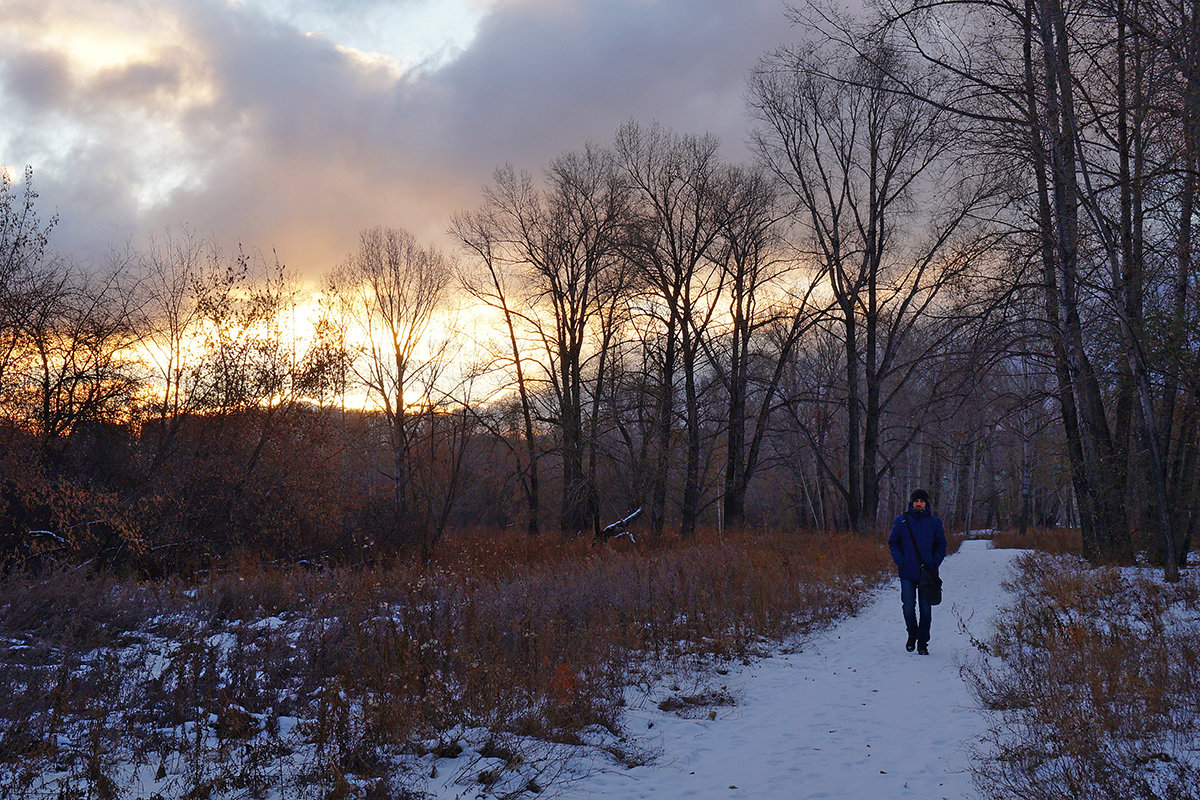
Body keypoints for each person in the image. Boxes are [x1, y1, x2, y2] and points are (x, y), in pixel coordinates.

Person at [887, 488, 947, 655]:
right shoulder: (901, 521)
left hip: (927, 573)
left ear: (926, 503)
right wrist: (901, 561)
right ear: (911, 503)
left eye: (921, 501)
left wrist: (934, 562)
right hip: (907, 572)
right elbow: (893, 543)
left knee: (926, 609)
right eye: (916, 501)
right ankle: (912, 635)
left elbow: (941, 545)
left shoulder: (934, 522)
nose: (918, 503)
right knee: (908, 607)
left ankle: (922, 643)